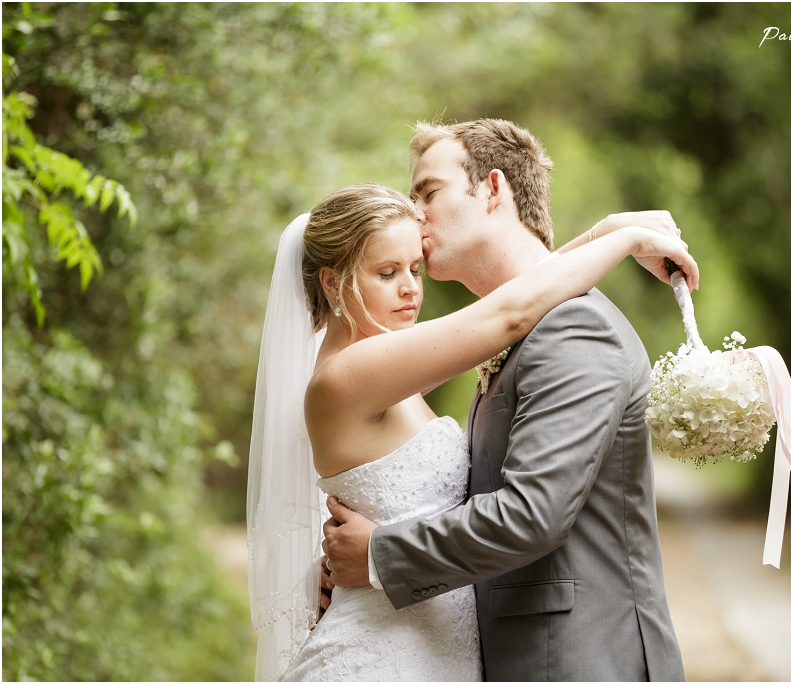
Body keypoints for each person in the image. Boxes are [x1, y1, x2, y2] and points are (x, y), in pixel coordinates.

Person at [247, 170, 697, 678]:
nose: (410, 290)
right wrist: (624, 240)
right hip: (383, 653)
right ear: (333, 281)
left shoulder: (386, 364)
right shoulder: (351, 375)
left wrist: (600, 234)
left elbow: (518, 304)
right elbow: (505, 315)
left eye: (416, 270)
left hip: (434, 646)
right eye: (387, 272)